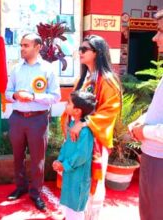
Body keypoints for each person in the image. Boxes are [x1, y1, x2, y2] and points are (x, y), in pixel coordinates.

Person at [66, 34, 122, 219]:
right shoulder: (82, 80)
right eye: (79, 49)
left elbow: (109, 111)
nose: (80, 52)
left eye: (84, 49)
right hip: (78, 138)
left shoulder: (108, 80)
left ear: (97, 53)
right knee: (77, 178)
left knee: (94, 184)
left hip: (95, 141)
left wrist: (83, 123)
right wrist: (70, 124)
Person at [5, 33, 61, 211]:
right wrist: (15, 95)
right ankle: (20, 187)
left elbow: (56, 96)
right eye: (21, 45)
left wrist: (33, 96)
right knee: (17, 157)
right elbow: (7, 93)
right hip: (17, 118)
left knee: (38, 159)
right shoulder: (16, 69)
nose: (22, 48)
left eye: (26, 45)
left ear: (37, 47)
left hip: (38, 119)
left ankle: (36, 192)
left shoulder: (48, 69)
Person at [128, 9, 163, 220]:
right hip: (152, 156)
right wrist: (141, 121)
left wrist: (145, 131)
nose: (155, 37)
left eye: (160, 31)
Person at [53, 91, 96, 220]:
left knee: (76, 207)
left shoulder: (85, 131)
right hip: (69, 173)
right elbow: (66, 146)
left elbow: (82, 155)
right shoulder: (72, 125)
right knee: (68, 203)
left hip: (79, 176)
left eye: (69, 103)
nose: (66, 105)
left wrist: (65, 165)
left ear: (77, 111)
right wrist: (59, 160)